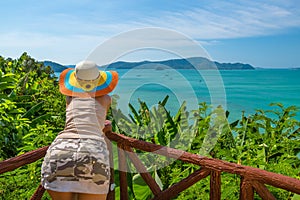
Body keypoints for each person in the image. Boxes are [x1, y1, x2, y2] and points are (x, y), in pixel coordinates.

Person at [41, 61, 118, 200]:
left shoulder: (69, 98)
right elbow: (98, 120)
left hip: (61, 149)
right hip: (93, 150)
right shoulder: (106, 99)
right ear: (99, 79)